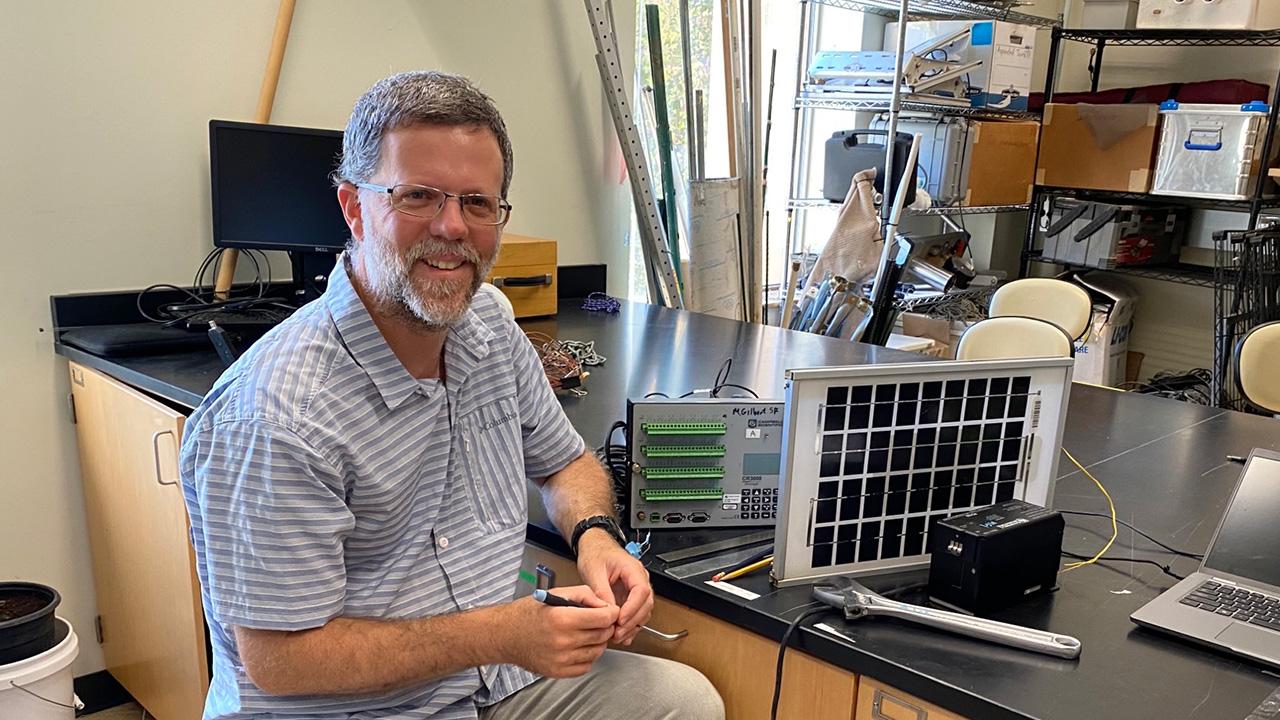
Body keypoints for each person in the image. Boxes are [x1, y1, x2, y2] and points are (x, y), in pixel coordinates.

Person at [179, 70, 724, 720]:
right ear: (353, 207)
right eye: (418, 196)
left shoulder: (488, 325)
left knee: (684, 704)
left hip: (486, 683)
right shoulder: (276, 415)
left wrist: (597, 538)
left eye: (477, 202)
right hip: (350, 710)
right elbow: (281, 661)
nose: (453, 226)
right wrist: (501, 634)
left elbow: (564, 462)